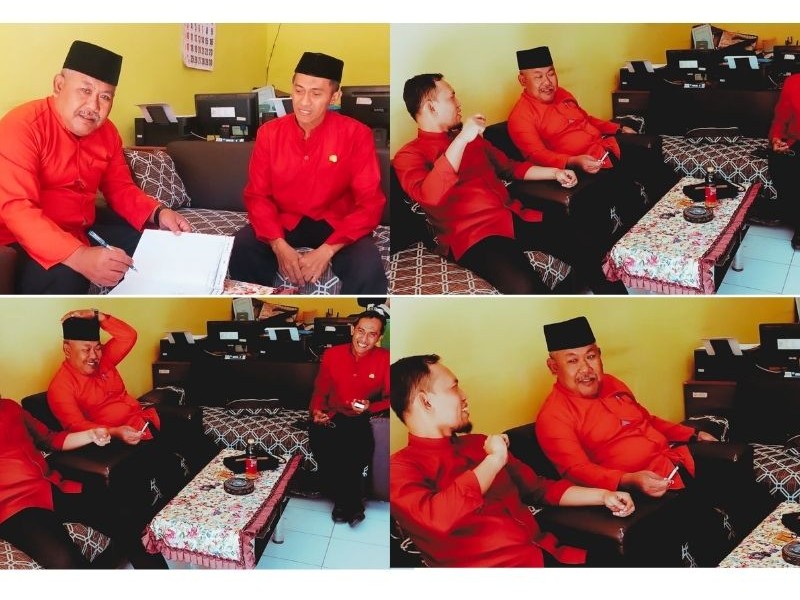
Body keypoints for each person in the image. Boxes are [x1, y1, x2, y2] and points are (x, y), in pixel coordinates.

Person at [390, 354, 635, 568]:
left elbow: (539, 489)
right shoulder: (400, 469)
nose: (465, 397)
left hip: (550, 555)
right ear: (425, 401)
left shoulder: (478, 443)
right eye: (454, 388)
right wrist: (495, 460)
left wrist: (603, 496)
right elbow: (439, 518)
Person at [393, 73, 627, 295]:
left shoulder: (471, 140)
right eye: (452, 97)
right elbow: (430, 196)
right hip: (475, 237)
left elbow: (510, 167)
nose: (458, 102)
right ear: (431, 107)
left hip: (513, 215)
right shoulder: (409, 156)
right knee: (525, 287)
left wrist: (555, 172)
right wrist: (462, 139)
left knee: (585, 242)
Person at [0, 40, 191, 294]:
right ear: (59, 85)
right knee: (68, 276)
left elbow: (121, 188)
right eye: (85, 90)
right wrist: (79, 256)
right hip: (23, 240)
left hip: (81, 231)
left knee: (152, 250)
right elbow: (18, 210)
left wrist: (159, 213)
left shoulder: (108, 133)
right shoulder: (22, 126)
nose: (93, 107)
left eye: (105, 97)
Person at [229, 51, 387, 294]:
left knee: (366, 263)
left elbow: (370, 203)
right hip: (285, 220)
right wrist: (278, 245)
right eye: (298, 90)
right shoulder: (269, 133)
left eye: (316, 93)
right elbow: (257, 195)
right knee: (243, 245)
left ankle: (364, 308)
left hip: (335, 223)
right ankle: (256, 306)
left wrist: (327, 250)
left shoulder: (356, 134)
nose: (304, 102)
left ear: (334, 96)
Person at [536, 316, 717, 497]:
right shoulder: (553, 416)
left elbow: (647, 420)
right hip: (642, 490)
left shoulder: (611, 382)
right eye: (573, 361)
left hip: (677, 461)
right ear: (553, 367)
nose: (586, 369)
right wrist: (628, 480)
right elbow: (577, 470)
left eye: (591, 357)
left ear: (599, 355)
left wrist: (693, 434)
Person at [0, 396, 167, 568]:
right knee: (64, 560)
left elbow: (49, 439)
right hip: (14, 506)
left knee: (125, 518)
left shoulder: (10, 406)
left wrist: (91, 435)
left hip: (52, 486)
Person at [508, 46, 675, 207]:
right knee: (629, 193)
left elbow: (586, 118)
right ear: (522, 80)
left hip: (607, 148)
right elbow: (537, 156)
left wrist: (617, 128)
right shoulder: (520, 117)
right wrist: (574, 161)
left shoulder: (562, 93)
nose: (547, 82)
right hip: (585, 167)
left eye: (551, 74)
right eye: (538, 77)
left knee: (661, 171)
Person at [308, 310, 389, 526]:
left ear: (379, 337)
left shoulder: (385, 358)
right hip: (330, 415)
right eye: (360, 331)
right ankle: (352, 506)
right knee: (324, 444)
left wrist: (371, 406)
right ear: (352, 330)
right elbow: (320, 391)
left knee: (354, 448)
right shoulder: (332, 354)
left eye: (372, 334)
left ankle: (344, 505)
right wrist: (317, 411)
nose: (364, 339)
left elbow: (392, 398)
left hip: (359, 417)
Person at [767, 72, 800, 249]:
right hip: (796, 142)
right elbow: (780, 118)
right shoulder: (793, 82)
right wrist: (776, 139)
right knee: (782, 163)